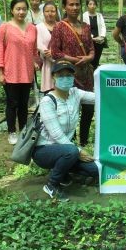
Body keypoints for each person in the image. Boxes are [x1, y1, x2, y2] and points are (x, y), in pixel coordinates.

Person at [33, 61, 99, 199]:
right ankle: (52, 185)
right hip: (44, 150)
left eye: (69, 75)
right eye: (61, 75)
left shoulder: (75, 93)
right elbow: (56, 134)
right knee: (72, 151)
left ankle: (64, 172)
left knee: (95, 170)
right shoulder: (47, 101)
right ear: (53, 77)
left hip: (66, 149)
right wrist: (79, 151)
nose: (65, 78)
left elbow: (98, 98)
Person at [49, 0, 95, 146]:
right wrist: (75, 60)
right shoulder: (59, 27)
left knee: (89, 108)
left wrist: (88, 58)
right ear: (64, 7)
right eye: (71, 4)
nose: (75, 7)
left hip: (86, 74)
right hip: (68, 75)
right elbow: (55, 52)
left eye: (77, 4)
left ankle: (84, 141)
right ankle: (71, 141)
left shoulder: (86, 27)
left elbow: (91, 49)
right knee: (70, 109)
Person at [0, 0, 39, 145]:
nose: (21, 12)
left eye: (24, 9)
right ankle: (12, 131)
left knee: (24, 104)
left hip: (27, 72)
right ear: (12, 10)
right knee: (12, 103)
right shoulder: (5, 27)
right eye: (18, 9)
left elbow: (34, 51)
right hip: (10, 72)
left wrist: (35, 62)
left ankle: (23, 130)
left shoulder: (32, 28)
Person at [36, 2, 58, 93]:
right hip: (47, 63)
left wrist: (55, 53)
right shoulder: (38, 27)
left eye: (52, 11)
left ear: (56, 12)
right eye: (47, 11)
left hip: (61, 61)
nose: (50, 13)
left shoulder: (61, 26)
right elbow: (39, 44)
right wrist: (51, 55)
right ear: (43, 12)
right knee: (49, 90)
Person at [82, 0, 107, 69]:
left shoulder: (99, 15)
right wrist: (92, 38)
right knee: (90, 60)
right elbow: (84, 28)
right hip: (89, 42)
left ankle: (95, 73)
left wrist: (102, 36)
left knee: (96, 60)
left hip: (99, 41)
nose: (92, 6)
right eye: (90, 4)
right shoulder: (84, 16)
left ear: (96, 5)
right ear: (87, 5)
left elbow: (103, 26)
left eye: (94, 4)